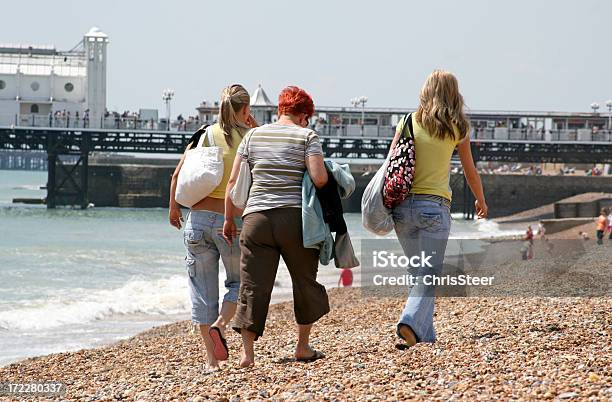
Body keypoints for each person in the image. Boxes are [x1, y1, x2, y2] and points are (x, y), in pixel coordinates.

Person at [223, 86, 330, 367]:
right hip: (295, 220)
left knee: (252, 285)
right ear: (304, 115)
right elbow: (319, 178)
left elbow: (233, 184)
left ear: (279, 110)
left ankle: (247, 354)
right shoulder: (308, 136)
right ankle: (302, 347)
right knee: (304, 280)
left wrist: (232, 218)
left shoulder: (253, 136)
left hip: (255, 219)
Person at [392, 70, 488, 349]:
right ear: (453, 93)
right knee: (428, 272)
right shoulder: (457, 127)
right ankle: (409, 321)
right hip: (433, 209)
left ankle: (424, 335)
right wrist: (480, 200)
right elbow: (470, 171)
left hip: (402, 209)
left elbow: (391, 164)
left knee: (419, 272)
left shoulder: (408, 121)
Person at [168, 84, 257, 372]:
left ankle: (210, 362)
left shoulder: (204, 134)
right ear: (244, 110)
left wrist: (173, 208)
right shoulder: (250, 138)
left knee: (202, 292)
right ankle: (221, 324)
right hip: (231, 222)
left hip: (195, 221)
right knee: (239, 284)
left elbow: (179, 173)